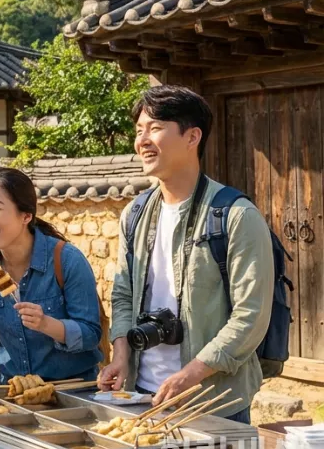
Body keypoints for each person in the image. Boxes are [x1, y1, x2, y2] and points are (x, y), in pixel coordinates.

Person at [99, 86, 273, 423]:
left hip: (214, 402)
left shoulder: (235, 216)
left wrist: (189, 375)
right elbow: (122, 294)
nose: (142, 140)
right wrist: (121, 354)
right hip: (143, 396)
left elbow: (250, 317)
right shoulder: (135, 214)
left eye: (155, 128)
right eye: (139, 131)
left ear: (192, 137)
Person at [0, 167, 103, 383]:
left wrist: (47, 324)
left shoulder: (66, 260)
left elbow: (91, 334)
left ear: (26, 215)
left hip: (71, 388)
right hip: (12, 388)